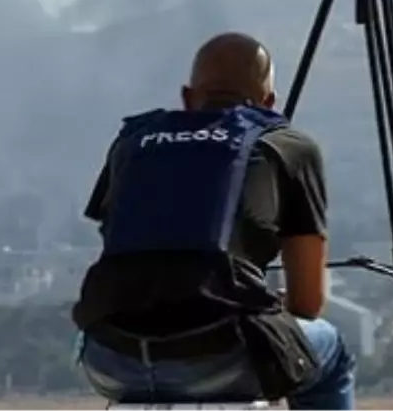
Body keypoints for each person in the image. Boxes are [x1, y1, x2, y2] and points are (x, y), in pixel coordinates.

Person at [72, 32, 356, 411]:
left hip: (109, 357)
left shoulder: (131, 142)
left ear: (188, 98)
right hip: (225, 353)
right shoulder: (289, 146)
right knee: (333, 356)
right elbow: (308, 303)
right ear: (269, 103)